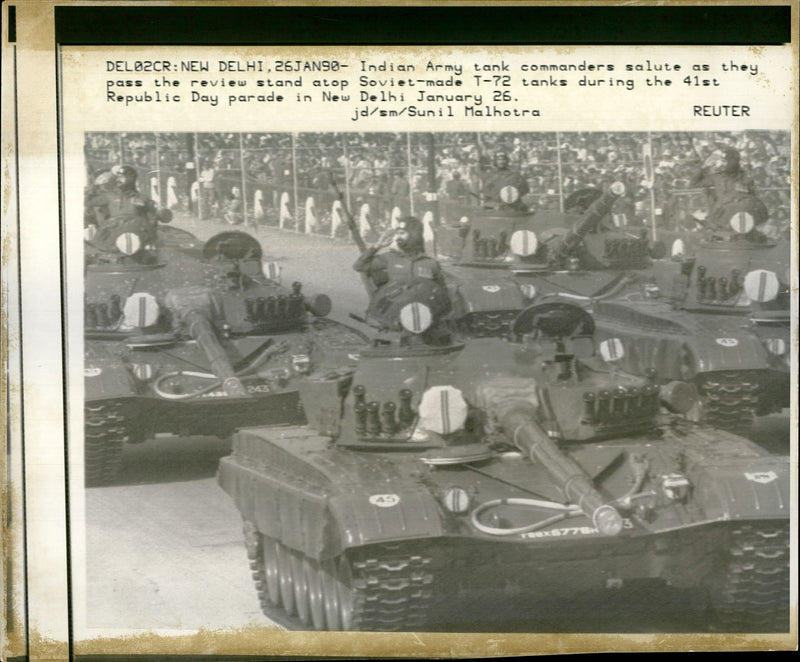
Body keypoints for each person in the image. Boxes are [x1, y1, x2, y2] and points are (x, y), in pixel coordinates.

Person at [353, 216, 445, 294]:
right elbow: (359, 266)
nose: (397, 238)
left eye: (402, 233)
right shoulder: (389, 258)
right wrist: (377, 246)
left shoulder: (431, 263)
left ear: (414, 235)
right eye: (397, 234)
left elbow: (441, 292)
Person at [690, 146, 768, 233]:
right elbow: (693, 184)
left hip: (743, 219)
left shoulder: (746, 177)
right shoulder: (717, 177)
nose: (723, 164)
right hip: (723, 217)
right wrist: (704, 167)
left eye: (725, 161)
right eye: (723, 161)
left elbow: (754, 199)